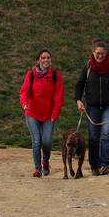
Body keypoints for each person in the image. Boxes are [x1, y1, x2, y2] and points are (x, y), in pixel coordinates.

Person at [74, 39, 109, 176]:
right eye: (97, 53)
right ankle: (94, 165)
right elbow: (79, 84)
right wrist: (78, 100)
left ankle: (104, 164)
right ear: (93, 53)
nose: (100, 56)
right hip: (92, 106)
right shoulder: (88, 66)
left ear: (107, 53)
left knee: (106, 134)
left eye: (103, 54)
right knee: (93, 137)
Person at [19, 49, 64, 177]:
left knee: (47, 142)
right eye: (43, 58)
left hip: (49, 116)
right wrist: (24, 104)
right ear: (38, 60)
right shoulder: (31, 74)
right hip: (32, 113)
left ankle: (46, 162)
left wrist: (55, 114)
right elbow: (24, 91)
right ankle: (38, 168)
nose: (46, 60)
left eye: (48, 57)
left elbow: (59, 97)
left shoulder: (55, 75)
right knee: (37, 141)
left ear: (51, 60)